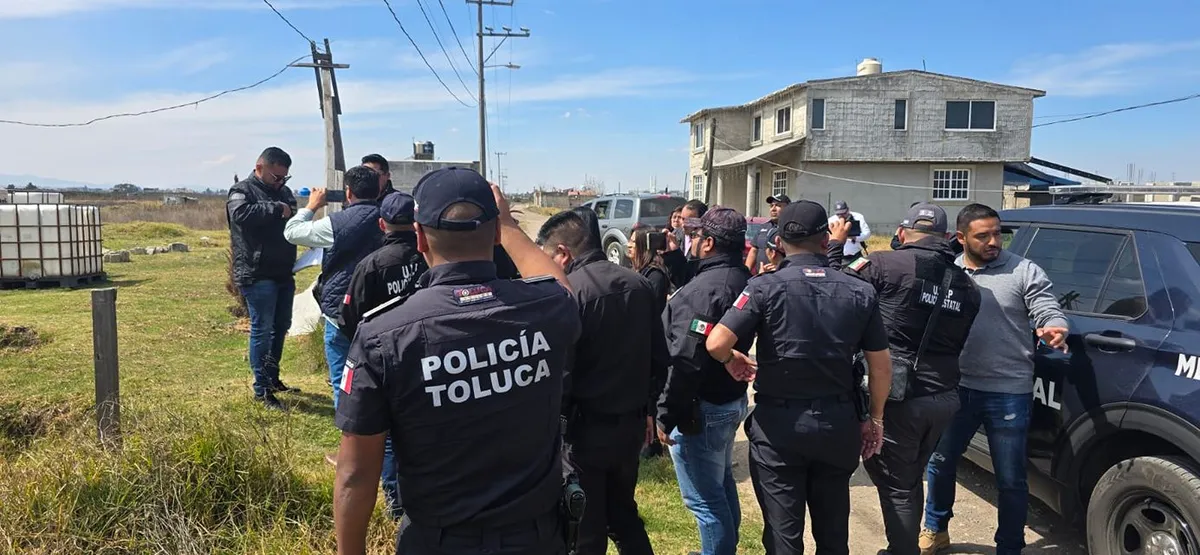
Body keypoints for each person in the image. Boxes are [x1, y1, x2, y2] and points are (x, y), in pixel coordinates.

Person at [333, 167, 580, 555]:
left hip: (440, 541)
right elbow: (563, 287)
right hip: (536, 538)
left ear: (419, 237)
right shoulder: (546, 308)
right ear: (495, 234)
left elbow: (356, 474)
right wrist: (510, 226)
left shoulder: (385, 335)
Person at [704, 200, 894, 555]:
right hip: (837, 423)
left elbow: (716, 343)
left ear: (778, 242)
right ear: (826, 240)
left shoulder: (763, 287)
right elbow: (881, 366)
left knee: (782, 536)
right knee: (834, 532)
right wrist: (876, 420)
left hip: (779, 427)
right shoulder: (859, 290)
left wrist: (732, 359)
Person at [918, 203, 1069, 555]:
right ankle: (935, 529)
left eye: (996, 234)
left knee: (1011, 478)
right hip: (956, 386)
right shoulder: (949, 272)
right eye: (982, 236)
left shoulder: (1023, 270)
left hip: (1008, 389)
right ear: (961, 238)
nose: (992, 242)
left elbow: (1045, 304)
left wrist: (1054, 325)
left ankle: (1009, 546)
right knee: (940, 462)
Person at [838, 203, 983, 555]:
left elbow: (836, 293)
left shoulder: (883, 264)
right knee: (910, 477)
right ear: (948, 239)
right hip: (945, 396)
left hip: (899, 396)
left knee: (896, 484)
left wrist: (834, 244)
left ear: (902, 234)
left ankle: (903, 550)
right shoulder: (969, 287)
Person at [537, 210, 665, 555]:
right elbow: (659, 358)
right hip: (630, 429)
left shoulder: (567, 295)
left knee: (585, 531)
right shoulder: (639, 283)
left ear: (563, 252)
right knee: (623, 517)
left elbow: (561, 376)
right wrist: (651, 409)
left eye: (549, 258)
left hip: (584, 436)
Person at [656, 207, 753, 555]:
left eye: (695, 236)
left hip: (703, 408)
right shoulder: (739, 276)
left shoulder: (706, 290)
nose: (690, 240)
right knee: (721, 485)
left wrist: (666, 414)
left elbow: (685, 360)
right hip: (727, 400)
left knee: (705, 501)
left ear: (708, 242)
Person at [336, 191, 428, 520]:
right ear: (417, 225)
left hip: (386, 362)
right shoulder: (428, 258)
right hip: (430, 358)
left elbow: (351, 318)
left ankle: (395, 500)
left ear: (381, 224)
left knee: (385, 435)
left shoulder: (371, 265)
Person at [283, 165, 384, 410]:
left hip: (340, 310)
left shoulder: (335, 224)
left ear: (348, 193)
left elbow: (292, 232)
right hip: (381, 307)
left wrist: (311, 206)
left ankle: (349, 439)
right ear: (379, 189)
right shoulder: (388, 219)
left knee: (342, 379)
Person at [226, 146, 300, 410]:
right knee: (262, 330)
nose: (280, 183)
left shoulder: (284, 192)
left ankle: (272, 378)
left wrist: (283, 205)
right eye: (275, 177)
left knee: (281, 327)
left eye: (284, 178)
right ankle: (262, 391)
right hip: (256, 273)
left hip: (283, 271)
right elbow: (240, 215)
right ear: (259, 168)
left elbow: (292, 212)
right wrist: (274, 209)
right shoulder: (242, 191)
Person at [663, 200, 709, 289]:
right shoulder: (675, 234)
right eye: (682, 219)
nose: (684, 224)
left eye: (690, 221)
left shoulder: (706, 241)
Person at [744, 194, 791, 275]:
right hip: (761, 275)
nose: (773, 209)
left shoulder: (791, 229)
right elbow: (754, 250)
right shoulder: (764, 226)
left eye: (778, 205)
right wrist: (746, 272)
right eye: (771, 206)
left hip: (782, 276)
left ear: (788, 208)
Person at [628, 227, 672, 313]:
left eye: (633, 242)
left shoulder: (655, 276)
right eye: (629, 240)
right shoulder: (636, 270)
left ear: (644, 245)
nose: (628, 245)